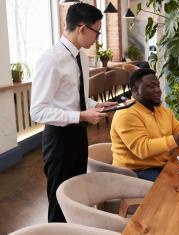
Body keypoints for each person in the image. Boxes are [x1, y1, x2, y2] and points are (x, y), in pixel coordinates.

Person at [30, 3, 115, 222]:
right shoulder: (51, 59)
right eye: (96, 31)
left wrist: (94, 105)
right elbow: (38, 111)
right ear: (81, 28)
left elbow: (75, 97)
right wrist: (80, 116)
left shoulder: (81, 56)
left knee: (76, 194)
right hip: (58, 139)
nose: (98, 37)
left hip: (78, 134)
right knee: (60, 201)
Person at [110, 69, 179, 181]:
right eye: (151, 87)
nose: (158, 90)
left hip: (160, 164)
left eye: (158, 85)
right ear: (135, 90)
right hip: (135, 172)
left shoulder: (159, 109)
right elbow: (143, 149)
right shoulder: (126, 114)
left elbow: (178, 129)